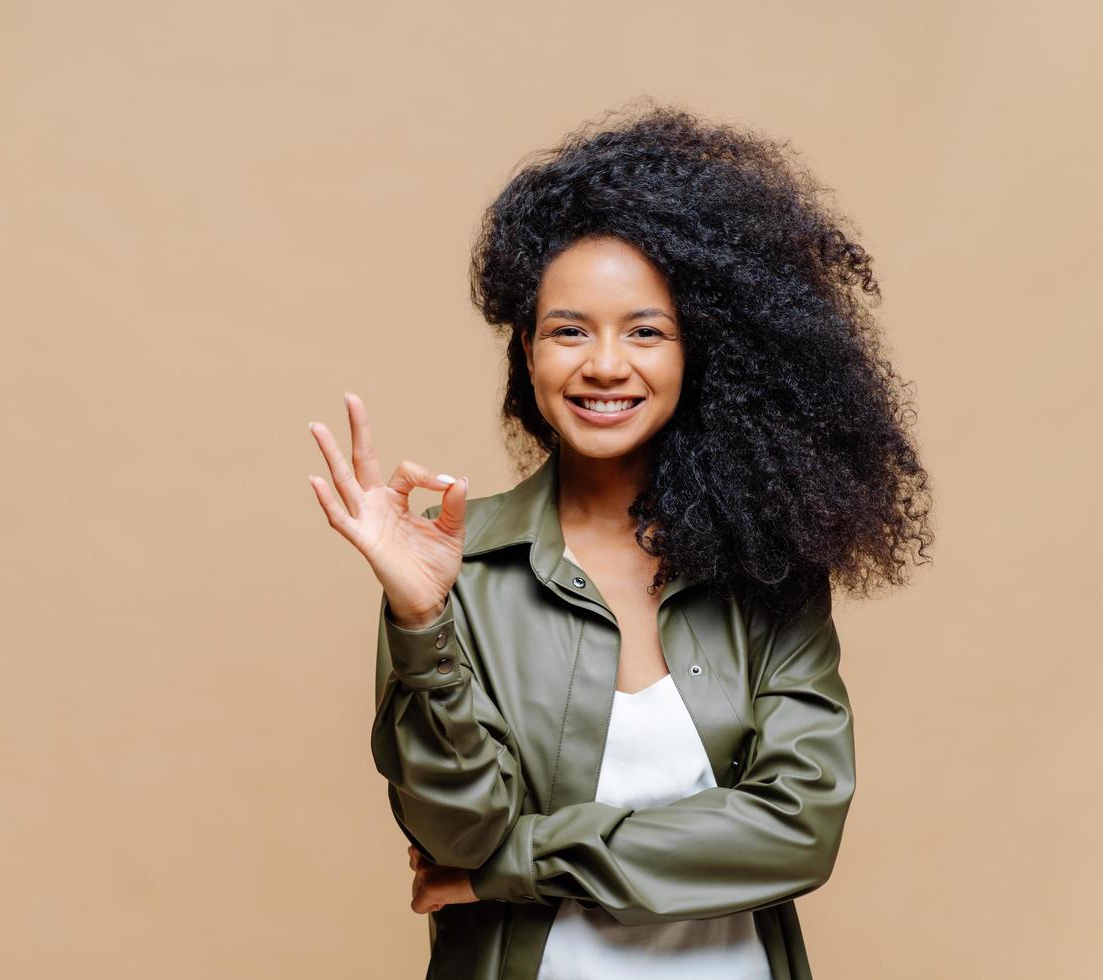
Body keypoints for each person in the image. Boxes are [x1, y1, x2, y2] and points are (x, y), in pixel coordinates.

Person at [306, 101, 933, 980]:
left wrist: (521, 863)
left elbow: (798, 829)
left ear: (696, 353)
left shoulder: (770, 566)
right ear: (527, 351)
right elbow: (456, 832)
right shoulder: (457, 563)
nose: (606, 364)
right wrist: (421, 621)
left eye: (647, 330)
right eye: (570, 330)